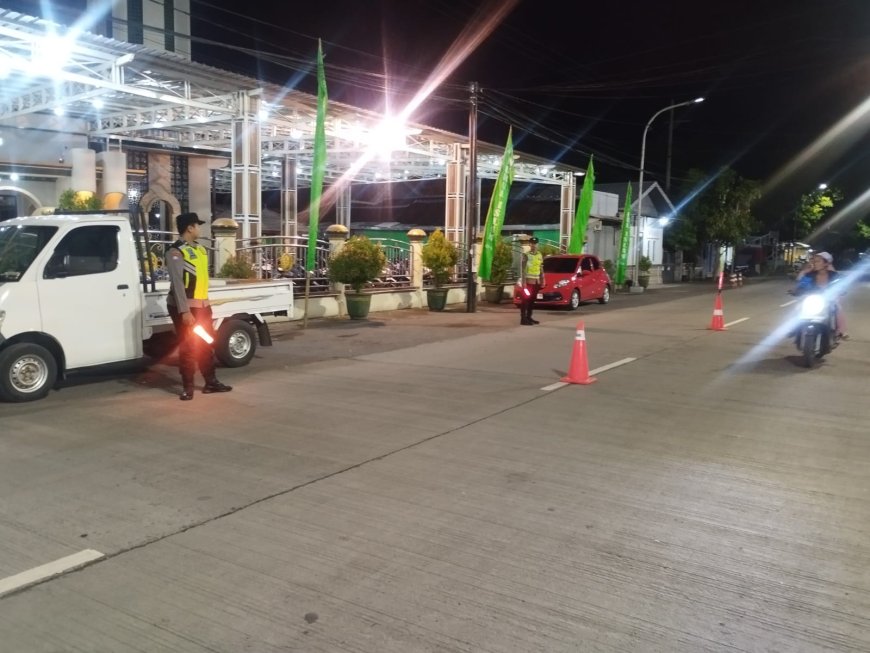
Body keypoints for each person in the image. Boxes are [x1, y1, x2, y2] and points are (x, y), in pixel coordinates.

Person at [167, 212, 233, 400]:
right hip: (186, 308)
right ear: (190, 228)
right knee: (188, 346)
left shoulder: (200, 250)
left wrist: (206, 304)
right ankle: (188, 387)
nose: (199, 229)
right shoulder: (176, 251)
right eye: (198, 225)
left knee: (206, 343)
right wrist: (185, 311)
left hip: (202, 307)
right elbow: (178, 284)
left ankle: (210, 382)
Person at [794, 251, 848, 339]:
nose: (815, 263)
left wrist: (841, 290)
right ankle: (795, 328)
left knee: (837, 308)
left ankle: (841, 331)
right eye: (814, 261)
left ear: (826, 263)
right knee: (798, 307)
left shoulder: (834, 275)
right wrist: (797, 290)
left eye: (818, 261)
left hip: (829, 299)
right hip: (813, 299)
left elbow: (841, 285)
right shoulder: (809, 275)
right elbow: (801, 283)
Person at [519, 236, 544, 326]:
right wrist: (523, 283)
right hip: (528, 282)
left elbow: (541, 268)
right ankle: (523, 319)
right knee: (525, 300)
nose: (534, 245)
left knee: (532, 300)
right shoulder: (526, 255)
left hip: (536, 282)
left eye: (535, 243)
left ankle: (529, 317)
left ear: (537, 244)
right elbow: (523, 269)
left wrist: (542, 280)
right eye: (532, 243)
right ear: (529, 244)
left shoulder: (539, 255)